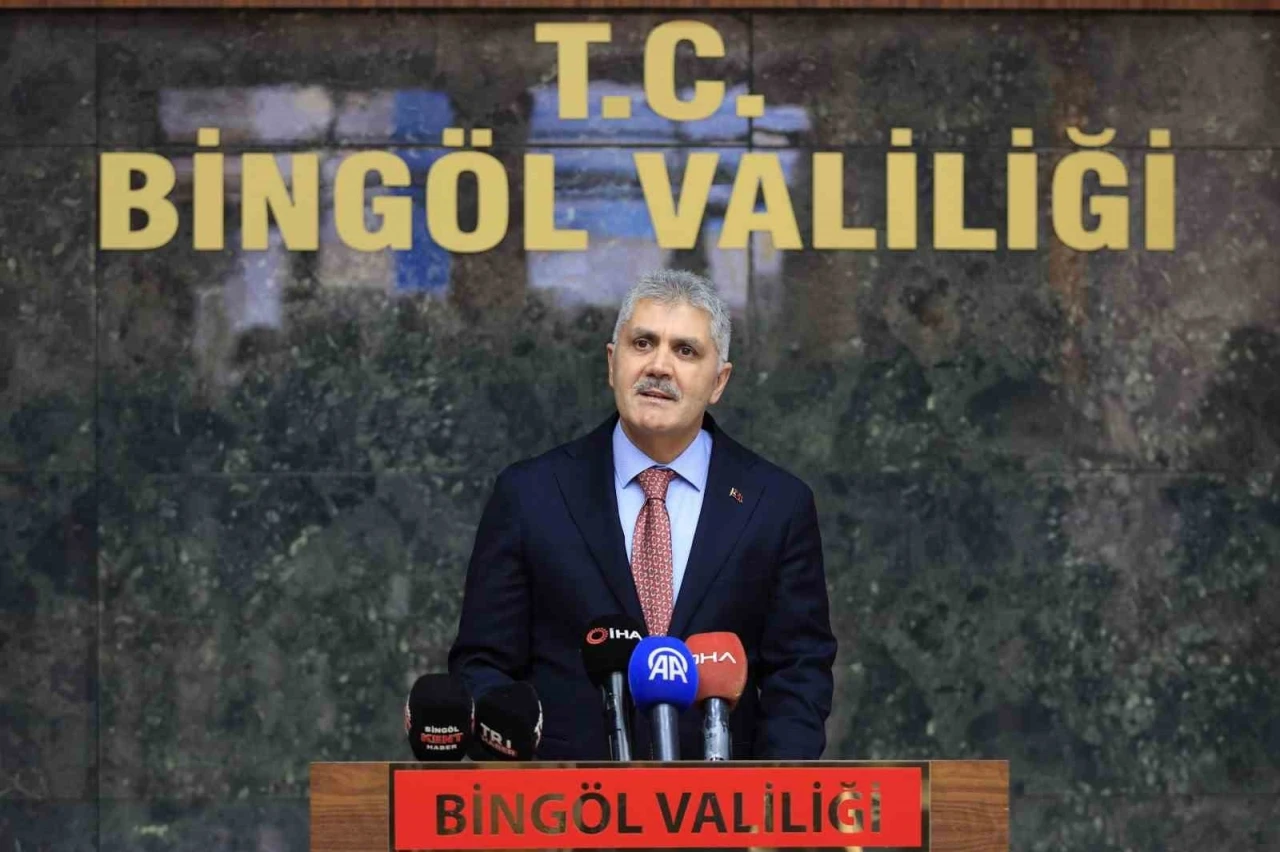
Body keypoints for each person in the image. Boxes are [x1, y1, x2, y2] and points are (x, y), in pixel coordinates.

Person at [448, 270, 836, 760]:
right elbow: (483, 665)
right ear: (613, 363)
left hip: (723, 801)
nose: (659, 366)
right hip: (565, 798)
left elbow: (799, 672)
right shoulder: (531, 494)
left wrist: (772, 791)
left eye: (685, 351)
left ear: (719, 381)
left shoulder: (775, 504)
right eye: (643, 343)